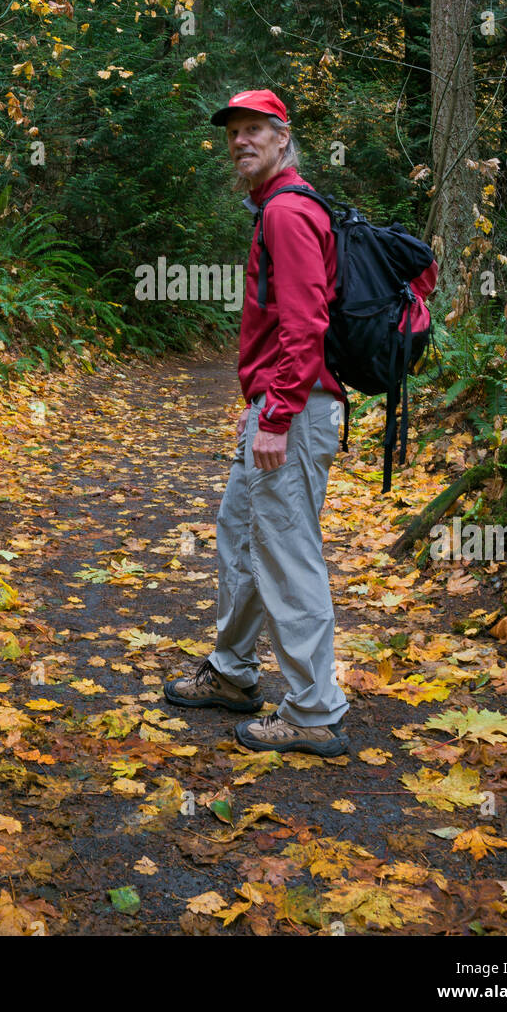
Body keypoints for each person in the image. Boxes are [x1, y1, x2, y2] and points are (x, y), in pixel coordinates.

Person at [164, 88, 350, 757]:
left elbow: (306, 326)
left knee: (286, 551)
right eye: (233, 132)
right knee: (241, 536)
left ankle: (313, 712)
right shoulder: (276, 207)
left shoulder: (288, 213)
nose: (241, 141)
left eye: (254, 130)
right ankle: (234, 674)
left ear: (282, 136)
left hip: (290, 412)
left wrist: (274, 414)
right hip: (278, 408)